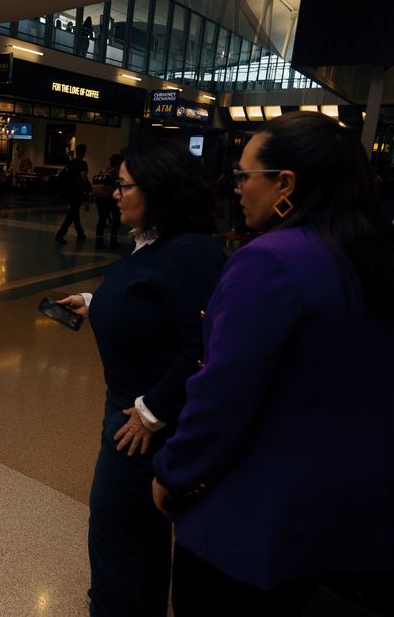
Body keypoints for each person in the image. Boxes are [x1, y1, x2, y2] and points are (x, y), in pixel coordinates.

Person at [153, 112, 394, 617]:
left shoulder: (272, 261)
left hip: (250, 515)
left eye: (244, 176)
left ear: (285, 183)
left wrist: (173, 472)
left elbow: (223, 394)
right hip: (331, 510)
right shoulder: (367, 254)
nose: (235, 188)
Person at [57, 140, 226, 616]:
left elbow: (203, 343)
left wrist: (151, 413)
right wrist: (94, 304)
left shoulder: (191, 253)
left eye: (125, 185)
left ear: (158, 190)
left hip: (143, 422)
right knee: (144, 532)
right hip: (129, 408)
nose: (114, 193)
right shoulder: (153, 243)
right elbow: (151, 305)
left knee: (114, 531)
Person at [55, 144, 90, 245]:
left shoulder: (70, 163)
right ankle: (60, 235)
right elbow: (83, 177)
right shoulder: (83, 164)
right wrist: (86, 191)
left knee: (75, 212)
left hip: (68, 192)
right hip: (77, 192)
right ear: (84, 153)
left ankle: (80, 233)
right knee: (72, 214)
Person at [91, 153, 123, 250]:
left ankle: (99, 242)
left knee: (102, 220)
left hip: (100, 198)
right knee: (117, 220)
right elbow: (119, 187)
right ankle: (113, 241)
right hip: (111, 199)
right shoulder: (118, 171)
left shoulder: (104, 170)